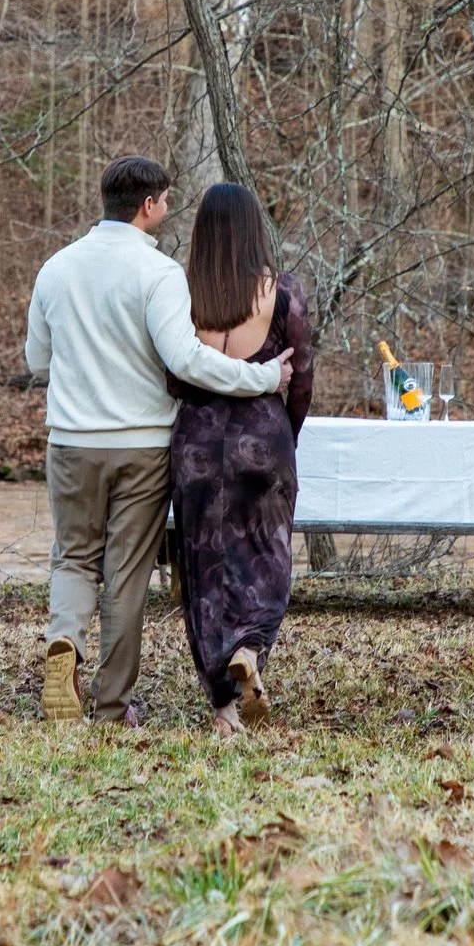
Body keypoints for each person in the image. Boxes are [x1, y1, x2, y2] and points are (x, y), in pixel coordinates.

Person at [24, 157, 291, 726]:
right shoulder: (159, 273)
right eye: (166, 201)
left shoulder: (55, 268)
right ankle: (112, 704)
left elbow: (36, 359)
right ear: (148, 206)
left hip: (70, 440)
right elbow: (187, 361)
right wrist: (263, 379)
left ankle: (65, 640)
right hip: (141, 444)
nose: (168, 211)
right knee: (125, 575)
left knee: (72, 557)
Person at [167, 183, 312, 734]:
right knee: (266, 561)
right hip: (263, 442)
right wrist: (284, 437)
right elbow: (303, 381)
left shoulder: (182, 296)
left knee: (204, 571)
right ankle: (250, 648)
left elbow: (174, 378)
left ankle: (224, 709)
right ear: (256, 230)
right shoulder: (284, 293)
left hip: (199, 447)